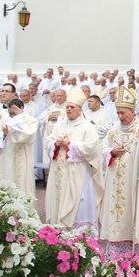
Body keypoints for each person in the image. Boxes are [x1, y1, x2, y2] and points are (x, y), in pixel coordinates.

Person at [100, 86, 139, 259]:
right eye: (118, 113)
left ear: (133, 111)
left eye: (123, 112)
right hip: (115, 182)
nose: (120, 116)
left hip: (134, 183)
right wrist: (111, 151)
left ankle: (137, 255)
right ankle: (116, 254)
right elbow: (102, 147)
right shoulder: (114, 129)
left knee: (134, 213)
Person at [44, 87, 104, 234]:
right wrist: (56, 144)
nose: (69, 109)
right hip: (59, 172)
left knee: (78, 204)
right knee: (58, 201)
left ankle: (79, 235)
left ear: (79, 109)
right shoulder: (60, 124)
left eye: (72, 107)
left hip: (78, 174)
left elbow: (92, 149)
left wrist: (70, 145)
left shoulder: (87, 127)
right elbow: (48, 141)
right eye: (67, 107)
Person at [0, 98, 39, 199]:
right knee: (6, 178)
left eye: (14, 112)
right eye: (9, 112)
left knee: (21, 181)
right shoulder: (5, 120)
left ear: (22, 108)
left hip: (22, 156)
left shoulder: (30, 120)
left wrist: (18, 119)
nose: (11, 115)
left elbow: (28, 135)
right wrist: (3, 134)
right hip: (6, 156)